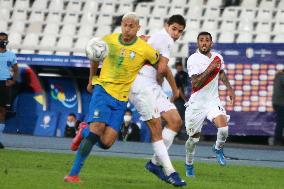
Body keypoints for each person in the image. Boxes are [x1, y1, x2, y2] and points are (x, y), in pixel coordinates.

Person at [63, 12, 160, 184]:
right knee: (97, 129)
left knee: (106, 142)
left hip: (121, 99)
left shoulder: (145, 49)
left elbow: (159, 62)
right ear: (121, 25)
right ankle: (73, 174)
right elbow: (94, 57)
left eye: (131, 26)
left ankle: (83, 130)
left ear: (138, 28)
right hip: (103, 90)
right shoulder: (108, 40)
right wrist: (92, 79)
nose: (127, 29)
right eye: (125, 25)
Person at [129, 15, 186, 186]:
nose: (176, 33)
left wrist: (171, 87)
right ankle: (170, 171)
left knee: (175, 121)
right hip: (141, 83)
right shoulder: (165, 39)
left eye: (180, 31)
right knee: (156, 127)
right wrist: (166, 83)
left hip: (150, 84)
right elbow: (162, 68)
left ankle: (154, 163)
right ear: (167, 26)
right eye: (174, 28)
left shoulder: (158, 37)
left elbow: (162, 68)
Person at [184, 31, 235, 177]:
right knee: (193, 140)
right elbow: (195, 83)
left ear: (211, 43)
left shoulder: (218, 57)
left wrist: (230, 89)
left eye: (207, 40)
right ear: (198, 43)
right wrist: (210, 69)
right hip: (196, 104)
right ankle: (189, 165)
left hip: (213, 101)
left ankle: (217, 148)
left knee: (224, 129)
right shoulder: (193, 59)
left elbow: (221, 73)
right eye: (201, 40)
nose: (204, 43)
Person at [0, 32, 18, 149]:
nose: (3, 41)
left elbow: (16, 70)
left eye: (4, 39)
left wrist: (13, 81)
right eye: (1, 39)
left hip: (4, 84)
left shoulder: (11, 55)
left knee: (2, 111)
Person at [272, 69, 284, 145]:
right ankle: (277, 140)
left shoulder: (278, 76)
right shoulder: (282, 77)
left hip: (277, 103)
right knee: (280, 122)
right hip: (281, 103)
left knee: (280, 122)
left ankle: (277, 140)